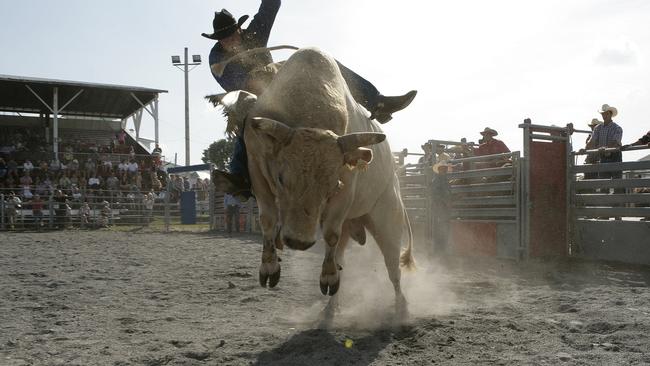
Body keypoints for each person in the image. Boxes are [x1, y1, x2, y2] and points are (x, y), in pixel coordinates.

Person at [205, 1, 417, 194]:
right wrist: (254, 79)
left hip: (278, 81)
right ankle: (240, 175)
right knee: (245, 117)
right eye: (224, 39)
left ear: (239, 29)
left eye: (232, 34)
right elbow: (236, 83)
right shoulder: (216, 58)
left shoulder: (255, 32)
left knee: (326, 62)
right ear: (218, 40)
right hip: (251, 95)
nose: (229, 41)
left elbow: (270, 5)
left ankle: (377, 102)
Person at [586, 104, 623, 193]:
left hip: (614, 156)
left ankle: (618, 204)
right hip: (603, 156)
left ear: (610, 114)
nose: (604, 116)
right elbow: (592, 141)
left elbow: (615, 142)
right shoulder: (598, 128)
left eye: (606, 114)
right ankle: (605, 203)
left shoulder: (617, 128)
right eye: (603, 114)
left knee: (616, 182)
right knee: (603, 182)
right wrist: (586, 148)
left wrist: (606, 148)